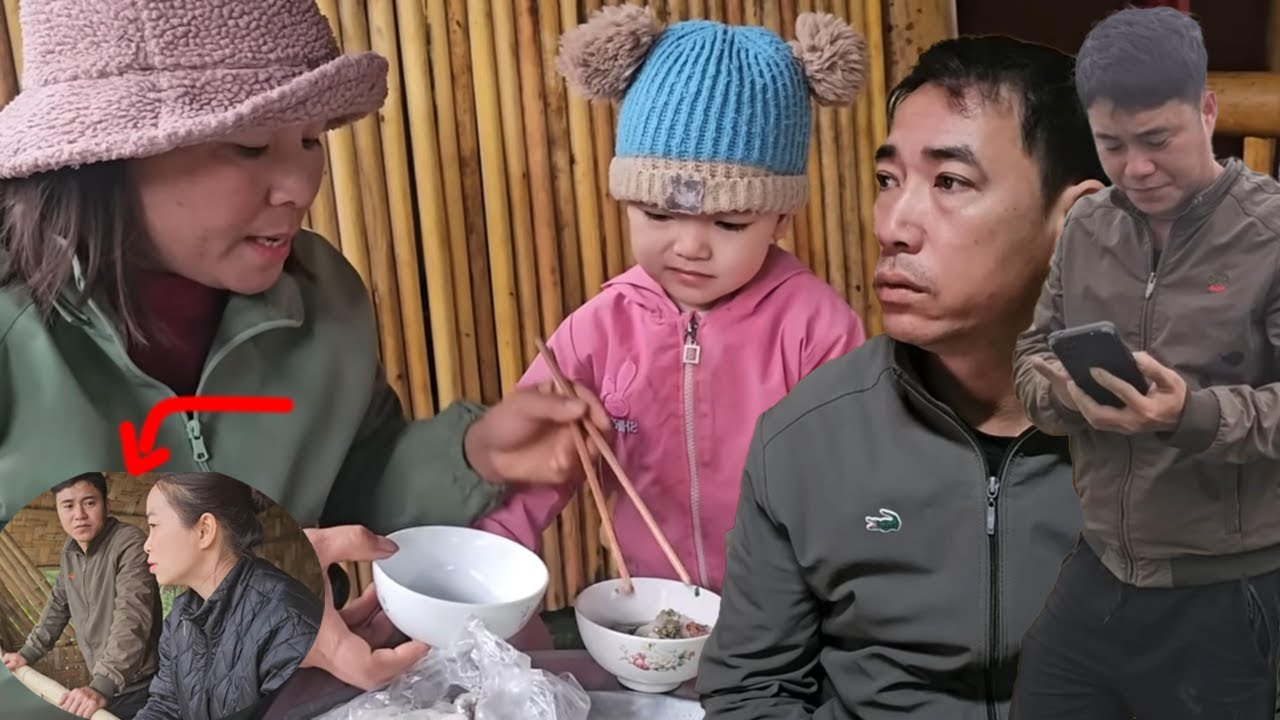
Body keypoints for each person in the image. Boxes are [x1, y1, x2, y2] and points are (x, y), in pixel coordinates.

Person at [0, 0, 611, 712]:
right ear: (108, 154)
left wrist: (474, 455)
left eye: (311, 139)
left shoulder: (324, 301)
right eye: (251, 145)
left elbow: (353, 494)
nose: (299, 185)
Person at [695, 35, 1107, 719]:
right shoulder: (806, 439)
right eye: (889, 181)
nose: (893, 226)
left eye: (949, 182)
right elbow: (751, 692)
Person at [475, 6, 867, 597]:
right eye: (658, 214)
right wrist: (476, 585)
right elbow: (526, 480)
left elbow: (860, 488)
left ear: (781, 218)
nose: (690, 247)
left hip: (790, 620)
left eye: (729, 223)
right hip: (648, 620)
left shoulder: (819, 332)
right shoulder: (597, 331)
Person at [1010, 7, 1280, 718]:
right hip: (1099, 567)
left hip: (1228, 592)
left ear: (1207, 111)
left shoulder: (1271, 235)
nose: (1136, 167)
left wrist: (1190, 415)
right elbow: (1032, 357)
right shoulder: (1086, 226)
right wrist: (1066, 396)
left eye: (1157, 140)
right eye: (1112, 144)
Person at [132, 472, 321, 720]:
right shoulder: (179, 618)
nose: (146, 545)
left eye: (154, 526)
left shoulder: (286, 620)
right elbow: (165, 706)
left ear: (204, 530)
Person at [1, 472, 161, 719]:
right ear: (58, 510)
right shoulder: (70, 550)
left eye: (89, 503)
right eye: (68, 505)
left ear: (107, 505)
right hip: (104, 681)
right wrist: (27, 654)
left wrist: (102, 685)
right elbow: (58, 604)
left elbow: (133, 616)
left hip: (140, 686)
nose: (79, 515)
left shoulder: (128, 543)